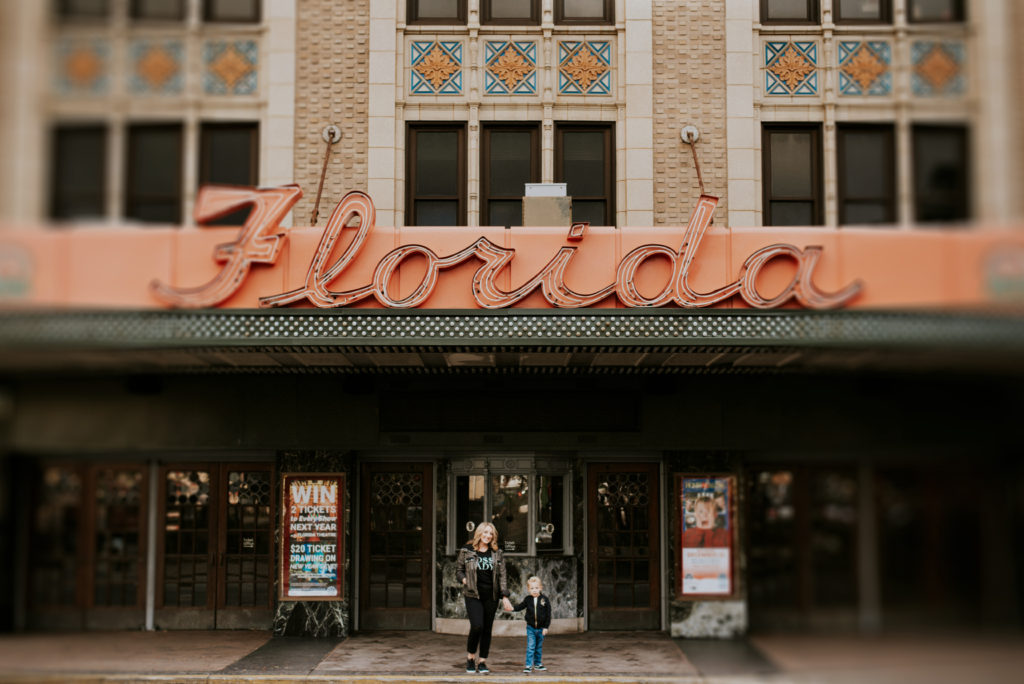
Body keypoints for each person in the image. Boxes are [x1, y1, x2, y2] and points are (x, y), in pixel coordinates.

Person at [456, 522, 513, 674]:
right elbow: (459, 570)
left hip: (491, 596)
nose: (488, 536)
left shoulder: (497, 552)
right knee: (477, 626)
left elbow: (502, 576)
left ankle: (482, 661)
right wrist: (464, 580)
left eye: (491, 533)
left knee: (487, 629)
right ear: (479, 533)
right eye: (485, 532)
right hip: (473, 594)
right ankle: (470, 657)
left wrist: (505, 596)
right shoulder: (467, 550)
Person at [511, 576, 551, 673]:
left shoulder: (544, 599)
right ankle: (528, 665)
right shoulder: (528, 599)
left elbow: (548, 614)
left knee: (538, 647)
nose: (534, 590)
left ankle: (537, 664)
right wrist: (512, 608)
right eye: (532, 588)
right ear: (528, 589)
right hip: (531, 628)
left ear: (540, 588)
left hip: (541, 628)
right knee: (531, 646)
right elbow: (520, 606)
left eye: (536, 588)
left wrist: (546, 627)